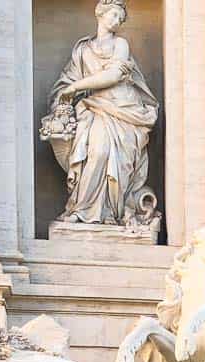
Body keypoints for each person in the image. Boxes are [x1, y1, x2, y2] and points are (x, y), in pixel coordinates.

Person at [43, 0, 159, 226]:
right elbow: (67, 80)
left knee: (109, 152)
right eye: (114, 15)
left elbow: (114, 76)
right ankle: (82, 209)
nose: (117, 21)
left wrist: (75, 88)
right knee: (96, 150)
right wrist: (65, 93)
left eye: (121, 19)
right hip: (92, 108)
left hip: (122, 109)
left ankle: (110, 213)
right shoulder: (83, 49)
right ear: (101, 14)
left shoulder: (121, 44)